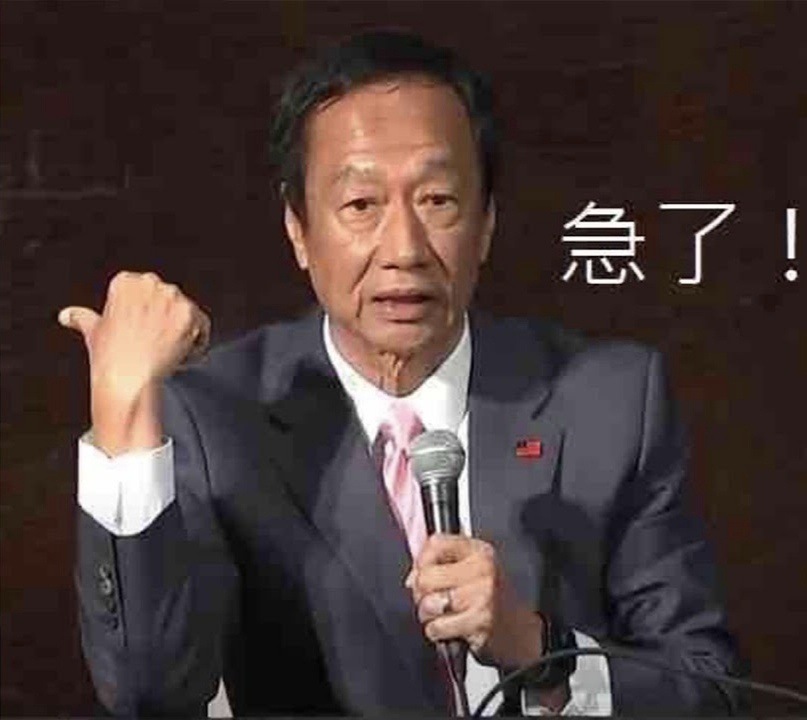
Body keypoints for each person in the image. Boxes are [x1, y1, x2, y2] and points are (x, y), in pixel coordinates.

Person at [60, 30, 741, 716]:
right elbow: (149, 691)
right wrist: (124, 407)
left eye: (437, 200)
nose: (405, 249)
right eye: (361, 205)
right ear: (298, 229)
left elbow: (709, 688)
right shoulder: (218, 416)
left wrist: (540, 650)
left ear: (486, 223)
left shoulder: (610, 401)